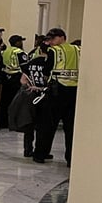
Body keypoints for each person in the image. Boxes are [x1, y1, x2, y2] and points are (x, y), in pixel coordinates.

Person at [34, 27, 80, 166]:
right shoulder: (79, 50)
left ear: (61, 37)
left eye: (52, 39)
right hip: (74, 92)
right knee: (71, 127)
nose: (51, 43)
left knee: (47, 124)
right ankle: (71, 158)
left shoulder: (55, 51)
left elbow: (47, 69)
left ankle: (41, 154)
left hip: (57, 91)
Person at [20, 40, 50, 159]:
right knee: (43, 125)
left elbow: (23, 80)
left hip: (31, 94)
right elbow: (49, 80)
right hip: (44, 95)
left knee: (30, 123)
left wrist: (31, 86)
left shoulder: (31, 62)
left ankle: (27, 149)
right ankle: (41, 151)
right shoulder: (49, 63)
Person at [0, 35, 29, 129]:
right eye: (20, 41)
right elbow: (25, 66)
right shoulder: (20, 52)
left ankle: (3, 123)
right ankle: (14, 124)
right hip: (16, 78)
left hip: (5, 77)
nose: (22, 43)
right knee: (16, 102)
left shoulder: (5, 51)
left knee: (4, 102)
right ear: (17, 43)